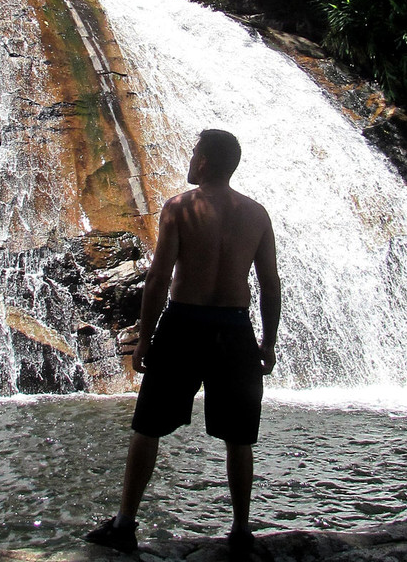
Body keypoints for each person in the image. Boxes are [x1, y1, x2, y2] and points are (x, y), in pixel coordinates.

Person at [85, 129, 281, 556]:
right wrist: (268, 343)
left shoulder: (179, 208)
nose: (189, 160)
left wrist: (144, 338)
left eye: (194, 153)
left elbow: (157, 279)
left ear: (206, 161)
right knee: (239, 436)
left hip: (183, 324)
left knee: (147, 427)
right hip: (234, 329)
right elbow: (269, 284)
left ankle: (124, 523)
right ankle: (242, 530)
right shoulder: (257, 214)